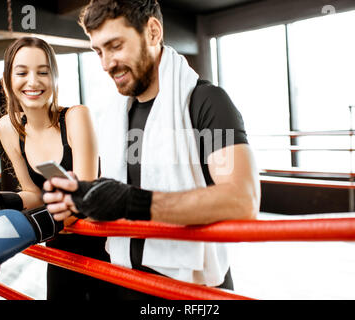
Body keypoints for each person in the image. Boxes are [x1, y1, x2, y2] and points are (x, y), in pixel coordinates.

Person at [43, 0, 260, 299]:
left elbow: (242, 199)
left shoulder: (207, 102)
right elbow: (114, 201)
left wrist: (132, 203)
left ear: (153, 32)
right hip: (124, 279)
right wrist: (82, 200)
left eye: (115, 45)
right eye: (98, 51)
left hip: (192, 290)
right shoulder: (115, 116)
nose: (106, 64)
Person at [0, 36, 112, 300]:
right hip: (60, 248)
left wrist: (29, 228)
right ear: (7, 81)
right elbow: (33, 193)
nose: (33, 81)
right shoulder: (9, 128)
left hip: (102, 245)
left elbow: (82, 199)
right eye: (22, 72)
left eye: (43, 72)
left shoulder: (75, 117)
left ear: (55, 78)